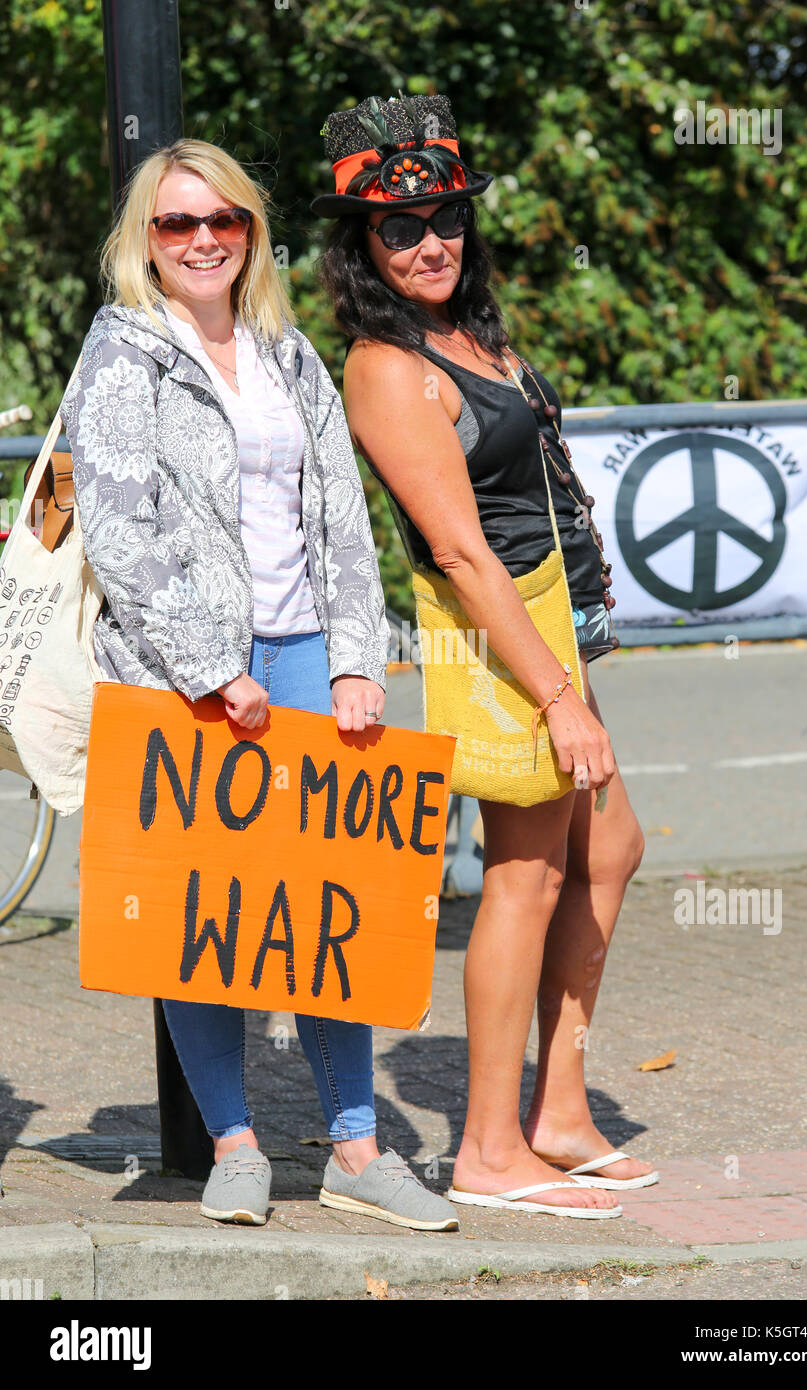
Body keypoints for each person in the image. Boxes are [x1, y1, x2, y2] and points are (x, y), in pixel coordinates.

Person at [62, 138, 457, 1232]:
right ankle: (233, 1142)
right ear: (146, 239)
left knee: (329, 907)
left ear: (251, 231)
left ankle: (356, 1146)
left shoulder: (287, 353)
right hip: (184, 676)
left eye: (222, 220)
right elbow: (119, 528)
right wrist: (209, 666)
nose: (202, 240)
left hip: (300, 656)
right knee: (203, 921)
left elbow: (339, 512)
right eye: (177, 223)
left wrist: (352, 658)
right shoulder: (123, 350)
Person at [314, 95, 653, 1218]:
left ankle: (555, 1107)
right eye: (398, 228)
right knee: (524, 876)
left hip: (557, 618)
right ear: (359, 244)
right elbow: (458, 549)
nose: (428, 242)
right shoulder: (384, 362)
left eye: (445, 216)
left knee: (609, 852)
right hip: (501, 637)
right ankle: (486, 1146)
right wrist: (556, 694)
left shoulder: (474, 330)